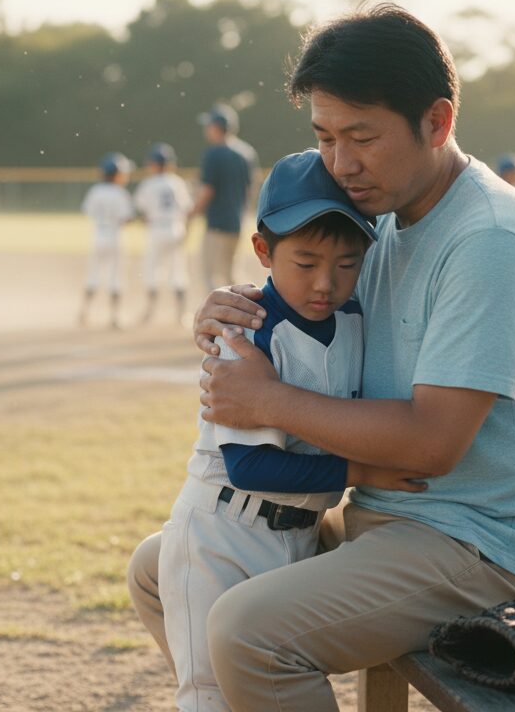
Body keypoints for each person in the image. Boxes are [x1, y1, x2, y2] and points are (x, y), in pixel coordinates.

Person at [127, 3, 515, 712]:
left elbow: (432, 445)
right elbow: (308, 298)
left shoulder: (492, 238)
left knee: (250, 633)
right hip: (389, 518)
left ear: (437, 122)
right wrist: (231, 307)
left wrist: (268, 402)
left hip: (483, 549)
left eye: (362, 138)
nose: (342, 164)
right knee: (159, 568)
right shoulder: (381, 221)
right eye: (325, 138)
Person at [161, 149, 407, 711]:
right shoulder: (245, 330)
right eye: (305, 262)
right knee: (210, 696)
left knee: (264, 684)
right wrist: (364, 469)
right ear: (263, 252)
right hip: (220, 533)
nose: (326, 282)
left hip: (300, 534)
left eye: (347, 264)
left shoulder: (352, 318)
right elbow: (253, 466)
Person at [193, 103, 259, 292]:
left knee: (210, 275)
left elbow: (207, 190)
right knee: (231, 274)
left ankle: (216, 317)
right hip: (236, 222)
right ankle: (246, 308)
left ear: (216, 127)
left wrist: (192, 213)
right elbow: (250, 189)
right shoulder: (246, 153)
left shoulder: (214, 153)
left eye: (209, 125)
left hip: (216, 224)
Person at [135, 142, 195, 324]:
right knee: (178, 270)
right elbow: (187, 209)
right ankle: (182, 315)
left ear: (154, 164)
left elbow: (141, 210)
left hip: (156, 229)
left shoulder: (148, 183)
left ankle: (149, 313)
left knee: (152, 269)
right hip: (175, 228)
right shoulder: (177, 182)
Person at [79, 152, 135, 329]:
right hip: (114, 236)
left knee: (93, 274)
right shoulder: (120, 192)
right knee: (115, 276)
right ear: (116, 174)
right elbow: (127, 218)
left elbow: (88, 211)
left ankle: (84, 312)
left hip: (98, 235)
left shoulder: (95, 190)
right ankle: (114, 317)